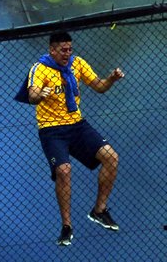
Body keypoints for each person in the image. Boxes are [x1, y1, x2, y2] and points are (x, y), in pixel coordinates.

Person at [26, 31, 124, 246]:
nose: (67, 53)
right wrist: (40, 94)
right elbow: (31, 94)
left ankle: (99, 210)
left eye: (70, 49)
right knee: (64, 170)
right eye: (63, 50)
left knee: (111, 157)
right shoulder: (40, 68)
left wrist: (112, 79)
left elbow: (99, 86)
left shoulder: (77, 63)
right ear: (52, 50)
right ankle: (67, 226)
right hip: (52, 130)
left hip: (77, 125)